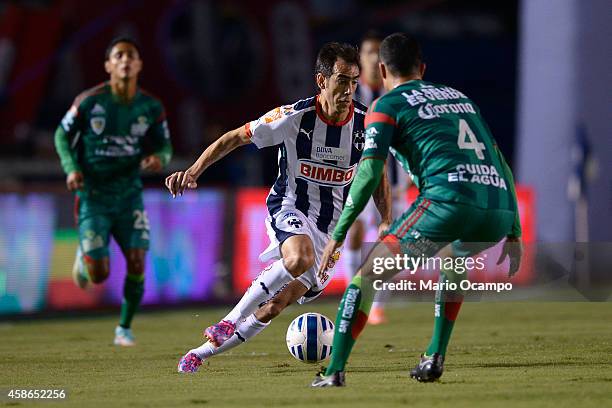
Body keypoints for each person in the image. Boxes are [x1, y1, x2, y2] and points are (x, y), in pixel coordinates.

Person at [166, 42, 392, 373]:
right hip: (290, 206)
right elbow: (233, 137)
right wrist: (193, 171)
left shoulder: (365, 124)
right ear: (322, 81)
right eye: (342, 80)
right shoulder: (292, 117)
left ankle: (200, 354)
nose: (349, 89)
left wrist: (386, 219)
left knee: (275, 306)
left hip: (330, 230)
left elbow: (378, 172)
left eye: (354, 81)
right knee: (299, 258)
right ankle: (228, 320)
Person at [311, 33, 523, 387]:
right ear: (422, 68)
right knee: (455, 261)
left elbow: (367, 173)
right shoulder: (461, 98)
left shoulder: (387, 105)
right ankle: (434, 355)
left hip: (448, 201)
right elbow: (499, 159)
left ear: (380, 69)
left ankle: (333, 371)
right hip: (497, 209)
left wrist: (339, 232)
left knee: (367, 276)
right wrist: (514, 228)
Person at [54, 37, 172, 346]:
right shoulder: (89, 102)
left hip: (129, 194)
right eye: (118, 56)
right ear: (108, 65)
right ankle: (86, 256)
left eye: (131, 55)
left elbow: (165, 145)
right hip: (93, 195)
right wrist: (71, 168)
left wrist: (159, 158)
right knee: (99, 276)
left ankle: (124, 328)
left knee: (137, 259)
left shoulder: (151, 107)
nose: (125, 60)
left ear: (139, 64)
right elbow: (61, 136)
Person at [346, 30, 412, 325]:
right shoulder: (350, 96)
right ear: (360, 59)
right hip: (360, 182)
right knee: (355, 234)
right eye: (368, 53)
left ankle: (378, 305)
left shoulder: (396, 95)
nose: (373, 59)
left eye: (378, 53)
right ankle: (355, 293)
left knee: (390, 242)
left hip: (394, 185)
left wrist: (410, 178)